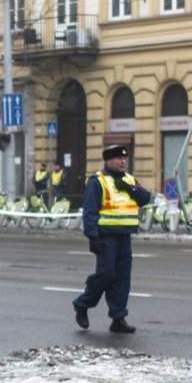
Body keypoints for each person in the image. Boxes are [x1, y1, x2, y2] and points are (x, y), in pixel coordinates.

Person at [72, 143, 151, 334]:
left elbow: (145, 198)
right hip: (106, 238)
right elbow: (89, 212)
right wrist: (92, 237)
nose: (123, 162)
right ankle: (82, 304)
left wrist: (130, 189)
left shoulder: (129, 179)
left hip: (124, 237)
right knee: (106, 275)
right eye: (118, 158)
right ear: (108, 161)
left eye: (124, 158)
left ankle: (118, 318)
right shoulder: (97, 182)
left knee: (123, 279)